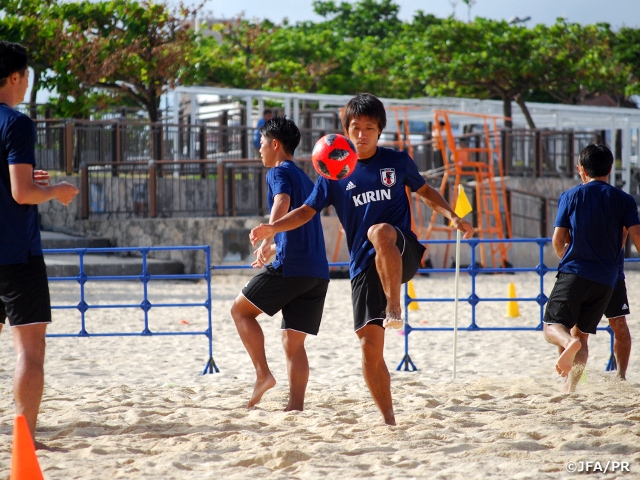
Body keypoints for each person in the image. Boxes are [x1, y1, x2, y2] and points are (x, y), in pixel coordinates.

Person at [250, 93, 474, 425]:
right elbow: (306, 211)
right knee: (369, 347)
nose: (362, 134)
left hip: (402, 250)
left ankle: (394, 307)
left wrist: (453, 216)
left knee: (379, 232)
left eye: (369, 128)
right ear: (346, 131)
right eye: (355, 127)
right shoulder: (334, 172)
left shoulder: (397, 161)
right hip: (363, 266)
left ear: (379, 130)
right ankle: (389, 420)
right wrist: (273, 228)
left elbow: (425, 192)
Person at [0, 41, 79, 446]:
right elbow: (21, 193)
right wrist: (57, 191)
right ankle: (25, 439)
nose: (29, 83)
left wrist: (30, 182)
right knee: (29, 349)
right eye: (27, 76)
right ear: (14, 77)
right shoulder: (16, 123)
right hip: (15, 251)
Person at [231, 115, 329, 411]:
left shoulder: (278, 171)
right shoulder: (305, 178)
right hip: (317, 272)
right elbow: (299, 225)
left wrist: (267, 235)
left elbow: (281, 203)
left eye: (261, 143)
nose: (259, 149)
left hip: (293, 268)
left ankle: (263, 374)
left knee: (240, 311)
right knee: (293, 342)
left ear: (275, 144)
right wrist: (273, 245)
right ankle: (295, 407)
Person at [543, 144, 640, 393]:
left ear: (582, 170)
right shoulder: (625, 200)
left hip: (577, 271)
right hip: (607, 277)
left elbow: (558, 240)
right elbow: (637, 239)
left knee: (554, 326)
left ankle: (572, 352)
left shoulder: (571, 196)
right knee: (583, 336)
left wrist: (570, 260)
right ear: (610, 169)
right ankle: (570, 388)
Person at [602, 240, 631, 381]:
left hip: (613, 275)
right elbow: (561, 239)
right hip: (583, 274)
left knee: (619, 324)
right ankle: (577, 376)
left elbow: (627, 234)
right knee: (578, 328)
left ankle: (621, 376)